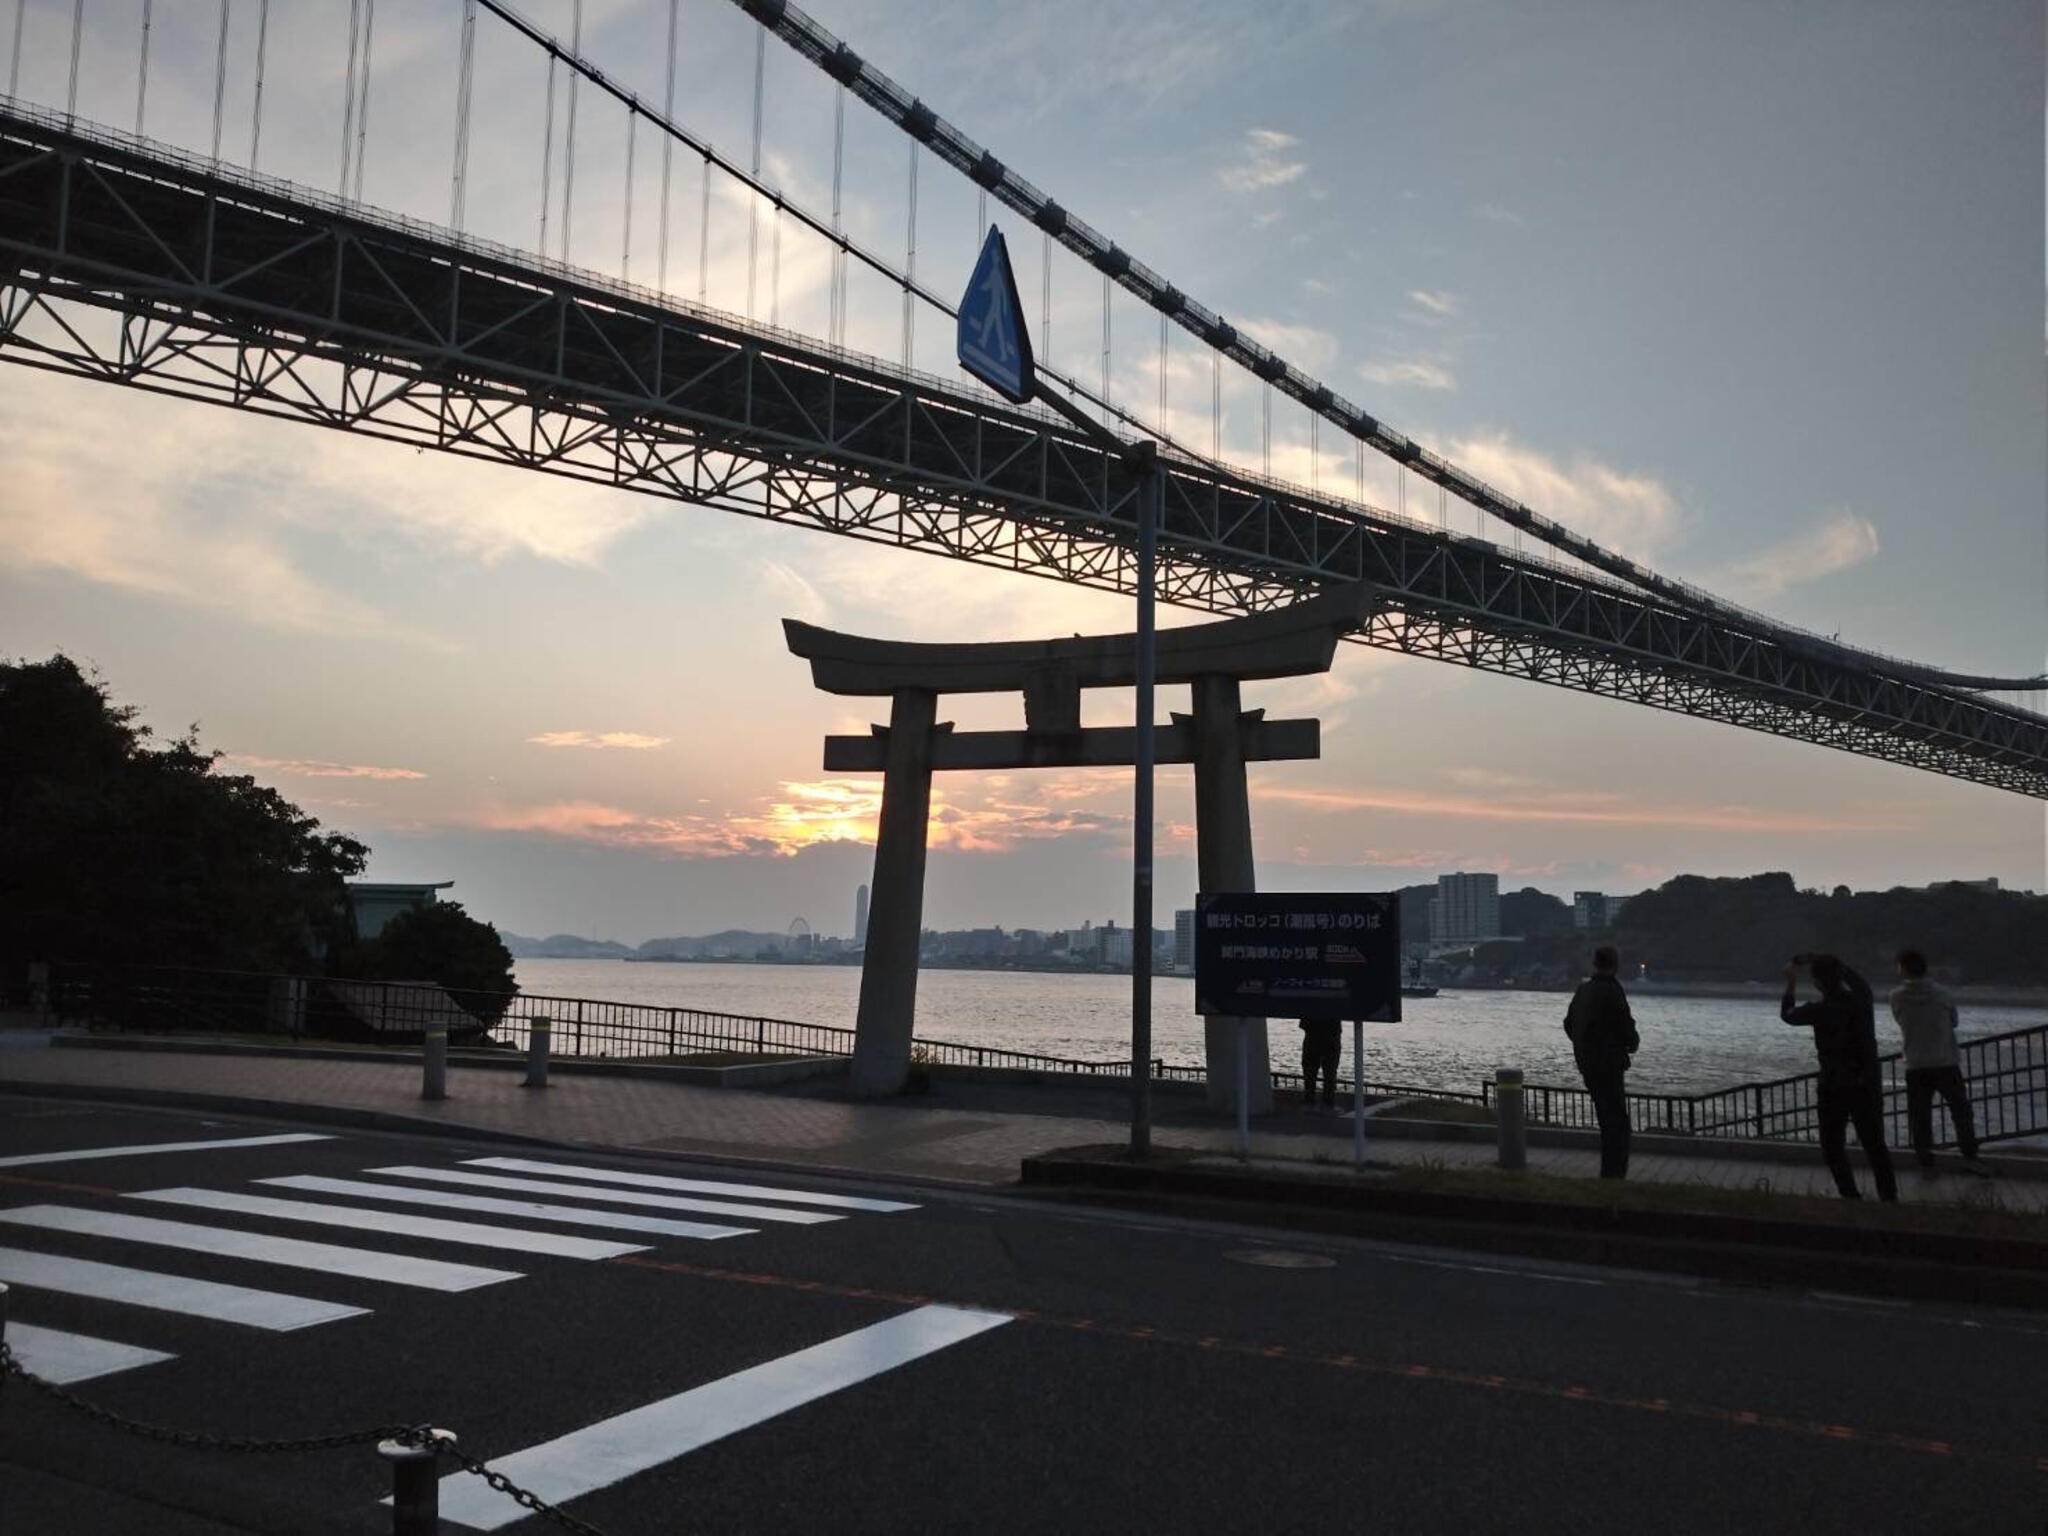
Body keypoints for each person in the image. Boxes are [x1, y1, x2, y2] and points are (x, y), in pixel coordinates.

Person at [1781, 953, 1898, 1202]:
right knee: (1875, 1145)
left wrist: (1791, 981)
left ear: (1817, 983)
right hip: (1866, 1083)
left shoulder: (1820, 1010)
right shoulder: (1862, 1002)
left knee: (1833, 1146)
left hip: (1833, 1085)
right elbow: (1860, 983)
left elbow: (1788, 1014)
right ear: (1840, 976)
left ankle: (1850, 1196)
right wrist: (1829, 961)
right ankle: (1889, 1198)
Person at [1889, 949, 1992, 1178]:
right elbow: (1953, 1021)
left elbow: (1899, 1019)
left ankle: (1926, 1163)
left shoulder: (1896, 996)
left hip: (1915, 1064)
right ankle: (1971, 1157)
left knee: (1920, 1116)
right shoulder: (1943, 994)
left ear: (1903, 969)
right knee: (1961, 1112)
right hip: (1946, 1062)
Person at [1563, 945, 1639, 1178]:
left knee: (1606, 1118)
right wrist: (1631, 1043)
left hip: (1588, 1064)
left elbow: (1568, 1023)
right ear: (1615, 966)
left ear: (1594, 963)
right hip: (1610, 1064)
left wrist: (1582, 1044)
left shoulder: (1583, 990)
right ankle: (1614, 1174)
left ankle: (1608, 1174)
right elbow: (1626, 1027)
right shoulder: (1613, 991)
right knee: (1618, 1123)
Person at [1299, 1016, 1342, 1110]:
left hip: (1313, 1033)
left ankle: (1310, 1099)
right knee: (1330, 1071)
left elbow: (1303, 1023)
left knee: (1310, 1070)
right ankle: (1328, 1101)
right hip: (1331, 1034)